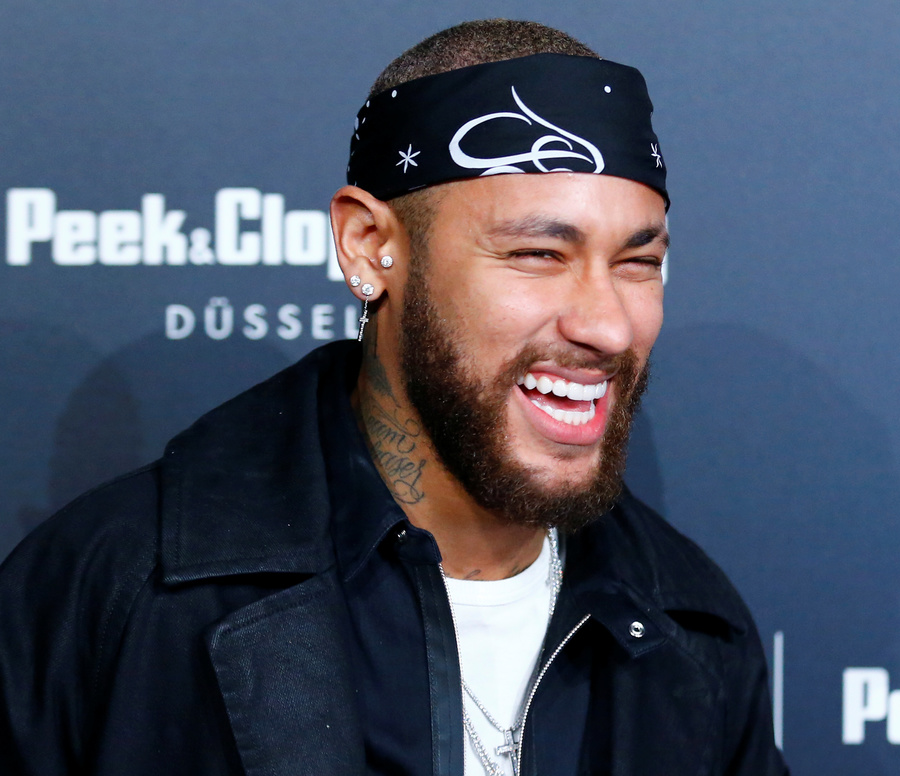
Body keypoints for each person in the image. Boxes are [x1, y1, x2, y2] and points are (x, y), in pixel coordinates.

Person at [0, 19, 789, 776]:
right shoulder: (111, 595)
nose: (608, 325)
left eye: (638, 263)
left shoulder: (692, 630)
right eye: (538, 253)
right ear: (369, 246)